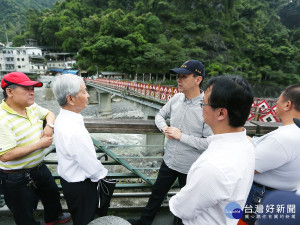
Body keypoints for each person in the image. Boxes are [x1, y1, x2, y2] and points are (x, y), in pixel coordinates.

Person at [128, 60, 213, 225]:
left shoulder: (207, 106)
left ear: (198, 79)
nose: (178, 80)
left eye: (184, 76)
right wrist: (164, 128)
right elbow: (159, 115)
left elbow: (209, 143)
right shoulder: (176, 98)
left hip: (190, 166)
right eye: (178, 76)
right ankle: (144, 222)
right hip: (169, 159)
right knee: (156, 194)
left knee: (186, 203)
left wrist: (181, 136)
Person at [169, 75, 255, 225]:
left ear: (221, 113)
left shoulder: (212, 166)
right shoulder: (247, 145)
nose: (201, 107)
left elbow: (183, 209)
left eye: (204, 103)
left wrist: (176, 199)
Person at [0, 72, 70, 225]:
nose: (32, 92)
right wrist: (40, 144)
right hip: (16, 176)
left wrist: (50, 127)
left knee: (52, 195)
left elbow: (50, 113)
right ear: (9, 92)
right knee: (24, 212)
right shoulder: (2, 119)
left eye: (32, 88)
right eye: (26, 89)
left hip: (39, 168)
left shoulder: (31, 107)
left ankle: (53, 218)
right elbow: (5, 155)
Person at [52, 74, 108, 225]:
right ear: (70, 99)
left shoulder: (63, 118)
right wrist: (102, 175)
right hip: (81, 185)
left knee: (79, 217)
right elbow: (88, 163)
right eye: (84, 91)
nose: (88, 95)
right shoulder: (73, 128)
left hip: (68, 180)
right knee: (84, 220)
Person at [241, 84, 300, 225]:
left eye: (279, 98)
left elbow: (247, 167)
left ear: (287, 104)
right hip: (283, 194)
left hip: (259, 196)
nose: (276, 102)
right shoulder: (293, 132)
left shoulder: (282, 138)